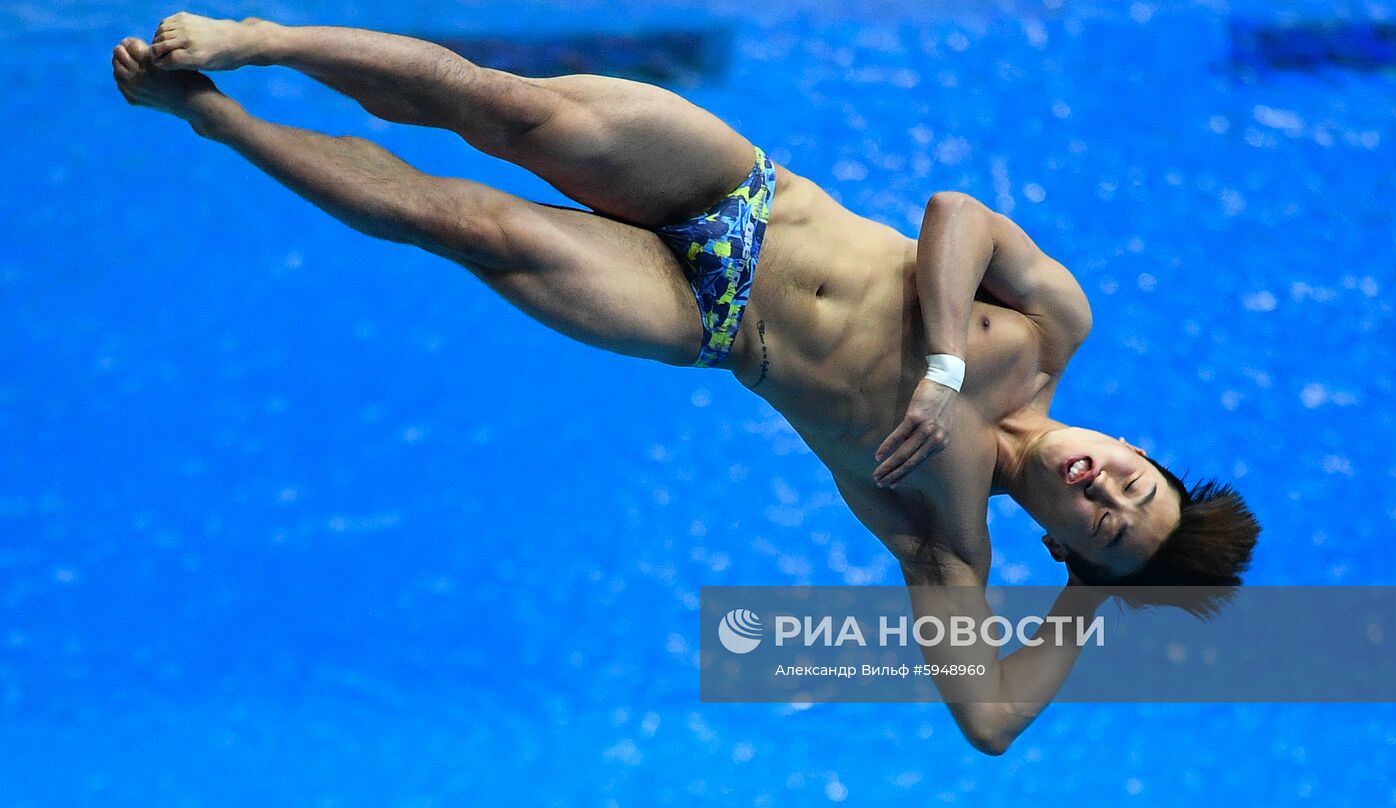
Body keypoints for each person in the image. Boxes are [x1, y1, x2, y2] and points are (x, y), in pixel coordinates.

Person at [111, 14, 1259, 754]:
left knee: (453, 222)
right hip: (748, 196)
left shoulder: (943, 537)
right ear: (1135, 446)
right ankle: (259, 40)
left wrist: (1088, 604)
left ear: (1068, 550)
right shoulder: (1048, 329)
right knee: (506, 109)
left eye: (1105, 524)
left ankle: (212, 117)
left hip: (703, 319)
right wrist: (945, 365)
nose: (1103, 486)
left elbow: (989, 721)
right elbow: (955, 214)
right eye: (1134, 480)